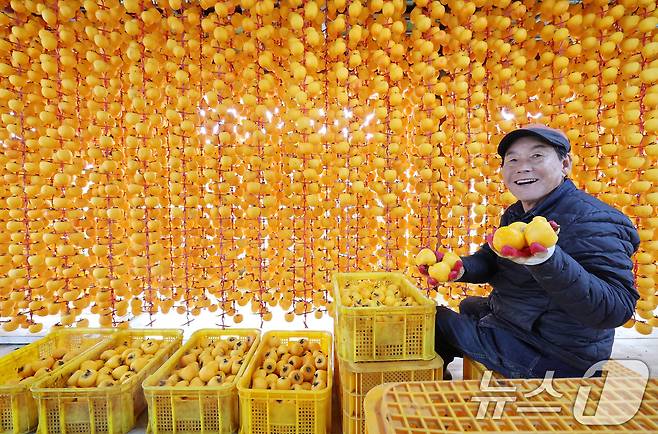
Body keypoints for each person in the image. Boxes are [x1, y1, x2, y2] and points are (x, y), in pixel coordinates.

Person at [433, 124, 640, 379]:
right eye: (513, 159)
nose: (522, 166)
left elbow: (615, 309)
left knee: (435, 321)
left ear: (565, 164)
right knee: (469, 305)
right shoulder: (518, 213)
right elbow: (492, 258)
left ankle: (430, 395)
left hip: (556, 354)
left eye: (536, 156)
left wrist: (548, 260)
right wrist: (461, 268)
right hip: (521, 326)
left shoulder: (595, 220)